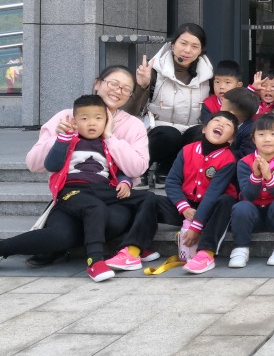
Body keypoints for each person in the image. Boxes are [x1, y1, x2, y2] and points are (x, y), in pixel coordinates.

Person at [11, 66, 150, 268]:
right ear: (97, 84)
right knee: (62, 233)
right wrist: (60, 138)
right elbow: (34, 164)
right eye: (113, 84)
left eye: (126, 89)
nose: (118, 91)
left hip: (111, 198)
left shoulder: (132, 125)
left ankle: (57, 246)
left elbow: (137, 169)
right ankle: (57, 244)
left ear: (130, 96)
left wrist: (110, 137)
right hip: (73, 195)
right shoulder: (67, 117)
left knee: (112, 219)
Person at [22, 95, 140, 282]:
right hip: (72, 192)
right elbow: (52, 165)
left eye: (98, 118)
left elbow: (118, 170)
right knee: (92, 210)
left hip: (100, 193)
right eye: (84, 118)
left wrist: (126, 182)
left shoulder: (109, 144)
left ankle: (138, 246)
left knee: (143, 199)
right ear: (75, 121)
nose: (92, 123)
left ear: (107, 122)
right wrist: (62, 138)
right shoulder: (70, 141)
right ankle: (95, 261)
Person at [112, 111, 240, 275]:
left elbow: (212, 194)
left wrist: (196, 227)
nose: (221, 124)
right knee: (150, 199)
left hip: (211, 211)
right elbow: (172, 182)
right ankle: (132, 252)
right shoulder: (187, 150)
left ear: (230, 140)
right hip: (186, 208)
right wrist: (184, 207)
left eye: (228, 125)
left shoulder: (228, 159)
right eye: (217, 121)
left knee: (226, 200)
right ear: (204, 128)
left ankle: (205, 254)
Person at [126, 23, 213, 184]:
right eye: (183, 43)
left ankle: (168, 169)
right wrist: (142, 86)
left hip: (190, 131)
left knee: (203, 133)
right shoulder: (153, 71)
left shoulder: (208, 77)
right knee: (169, 135)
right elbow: (131, 112)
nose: (187, 50)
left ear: (201, 51)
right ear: (173, 45)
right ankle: (141, 168)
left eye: (195, 46)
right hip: (158, 132)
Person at [230, 114, 274, 268]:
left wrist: (269, 177)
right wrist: (256, 176)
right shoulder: (244, 163)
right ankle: (240, 247)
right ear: (253, 139)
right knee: (241, 207)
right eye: (261, 134)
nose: (267, 139)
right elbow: (247, 195)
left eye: (273, 134)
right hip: (252, 214)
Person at [224, 87, 261, 159]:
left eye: (222, 107)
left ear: (231, 114)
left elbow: (244, 155)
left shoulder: (250, 132)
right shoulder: (234, 125)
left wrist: (222, 154)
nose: (220, 109)